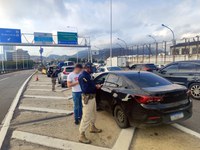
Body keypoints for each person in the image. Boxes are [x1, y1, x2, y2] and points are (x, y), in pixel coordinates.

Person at [78, 63, 102, 144]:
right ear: (87, 68)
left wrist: (96, 85)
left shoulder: (88, 75)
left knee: (93, 114)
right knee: (86, 116)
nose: (92, 69)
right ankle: (82, 135)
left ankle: (92, 127)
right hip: (88, 99)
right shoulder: (83, 76)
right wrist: (96, 87)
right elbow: (85, 89)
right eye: (90, 67)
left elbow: (90, 84)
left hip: (92, 98)